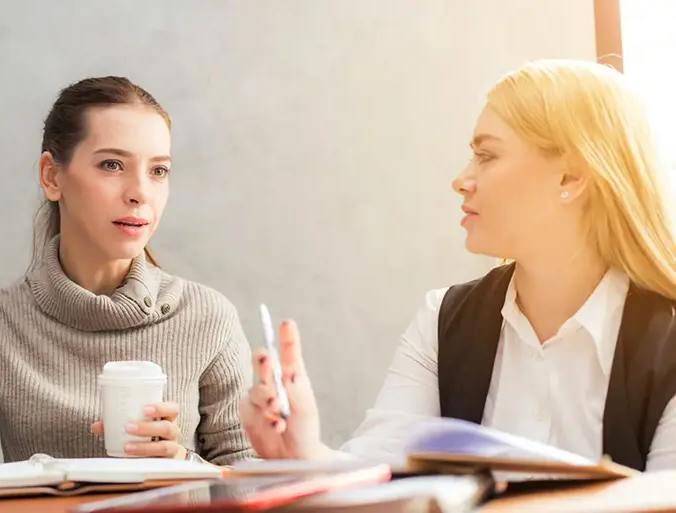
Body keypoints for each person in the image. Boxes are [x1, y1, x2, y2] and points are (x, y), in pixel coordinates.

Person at [240, 59, 676, 472]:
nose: (461, 180)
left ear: (570, 178)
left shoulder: (666, 337)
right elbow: (379, 473)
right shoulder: (443, 319)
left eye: (487, 156)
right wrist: (306, 452)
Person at [0, 76, 255, 478]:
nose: (140, 192)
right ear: (52, 177)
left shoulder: (208, 317)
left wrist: (185, 466)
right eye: (112, 165)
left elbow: (254, 478)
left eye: (159, 171)